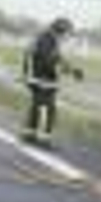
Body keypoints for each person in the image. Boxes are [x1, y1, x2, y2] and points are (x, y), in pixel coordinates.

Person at [21, 17, 83, 147]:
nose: (67, 36)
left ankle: (29, 134)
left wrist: (72, 70)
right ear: (60, 30)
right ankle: (44, 139)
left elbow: (57, 58)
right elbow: (49, 62)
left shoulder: (47, 38)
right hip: (40, 78)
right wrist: (69, 71)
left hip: (36, 77)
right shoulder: (47, 40)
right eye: (67, 32)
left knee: (37, 107)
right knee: (48, 109)